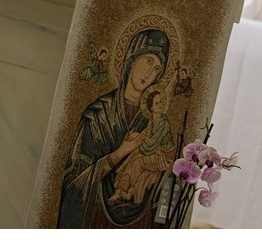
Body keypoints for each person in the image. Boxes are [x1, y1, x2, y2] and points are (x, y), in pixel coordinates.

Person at [58, 28, 175, 228]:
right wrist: (119, 153)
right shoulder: (97, 116)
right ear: (132, 59)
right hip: (94, 217)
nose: (150, 73)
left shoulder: (155, 122)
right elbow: (72, 184)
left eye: (157, 69)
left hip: (138, 222)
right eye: (148, 61)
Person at [109, 88, 174, 206]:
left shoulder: (163, 122)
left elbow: (151, 145)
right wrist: (135, 138)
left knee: (137, 160)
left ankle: (123, 190)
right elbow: (147, 139)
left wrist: (139, 143)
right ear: (151, 107)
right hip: (154, 152)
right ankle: (123, 191)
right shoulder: (152, 120)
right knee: (133, 157)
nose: (160, 105)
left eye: (161, 102)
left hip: (163, 156)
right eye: (157, 103)